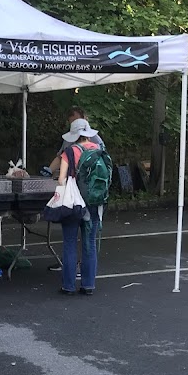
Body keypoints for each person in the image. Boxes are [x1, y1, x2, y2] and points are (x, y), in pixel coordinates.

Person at [57, 121, 102, 296]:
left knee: (69, 242)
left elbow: (61, 179)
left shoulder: (70, 152)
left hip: (73, 203)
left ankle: (68, 286)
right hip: (93, 202)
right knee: (89, 243)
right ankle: (88, 285)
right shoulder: (98, 150)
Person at [45, 110, 105, 178]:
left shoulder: (70, 151)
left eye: (76, 120)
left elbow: (61, 178)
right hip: (95, 182)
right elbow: (60, 157)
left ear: (84, 118)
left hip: (77, 181)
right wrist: (50, 170)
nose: (74, 122)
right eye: (72, 121)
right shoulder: (97, 146)